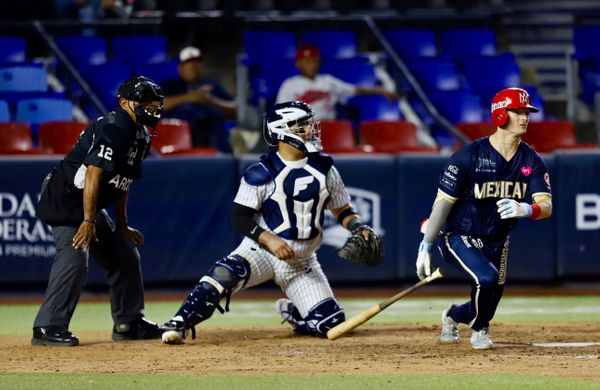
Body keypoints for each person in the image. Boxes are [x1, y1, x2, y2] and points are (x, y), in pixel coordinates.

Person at [160, 100, 383, 344]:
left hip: (302, 262)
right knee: (224, 273)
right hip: (262, 251)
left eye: (308, 124)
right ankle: (180, 322)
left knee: (331, 325)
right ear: (281, 130)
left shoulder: (325, 168)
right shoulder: (262, 171)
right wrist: (270, 240)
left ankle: (297, 314)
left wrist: (357, 226)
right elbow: (240, 217)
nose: (309, 130)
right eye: (301, 125)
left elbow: (343, 210)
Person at [415, 87, 552, 350]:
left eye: (527, 112)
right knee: (486, 279)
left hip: (499, 240)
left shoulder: (532, 161)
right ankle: (479, 330)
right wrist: (427, 244)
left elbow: (546, 206)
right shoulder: (469, 156)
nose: (524, 118)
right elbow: (443, 204)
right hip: (461, 236)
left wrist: (526, 209)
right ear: (501, 115)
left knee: (489, 301)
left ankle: (453, 316)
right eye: (517, 112)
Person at [32, 76, 165, 346]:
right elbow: (93, 174)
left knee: (124, 252)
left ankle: (129, 322)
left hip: (87, 200)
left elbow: (122, 183)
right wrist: (89, 219)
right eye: (145, 103)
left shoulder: (140, 134)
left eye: (154, 104)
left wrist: (122, 224)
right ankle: (47, 326)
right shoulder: (115, 128)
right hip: (66, 197)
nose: (151, 109)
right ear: (124, 103)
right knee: (75, 257)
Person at [276, 44, 399, 121]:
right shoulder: (290, 85)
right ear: (299, 64)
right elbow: (281, 114)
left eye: (316, 61)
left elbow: (353, 90)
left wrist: (381, 90)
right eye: (309, 61)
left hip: (330, 129)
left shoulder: (327, 81)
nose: (313, 65)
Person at [160, 46, 237, 153]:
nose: (193, 66)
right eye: (188, 62)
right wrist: (189, 97)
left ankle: (223, 159)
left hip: (214, 139)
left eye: (197, 61)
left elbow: (235, 110)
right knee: (186, 110)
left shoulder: (212, 85)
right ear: (180, 68)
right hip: (179, 142)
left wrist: (211, 101)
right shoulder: (170, 85)